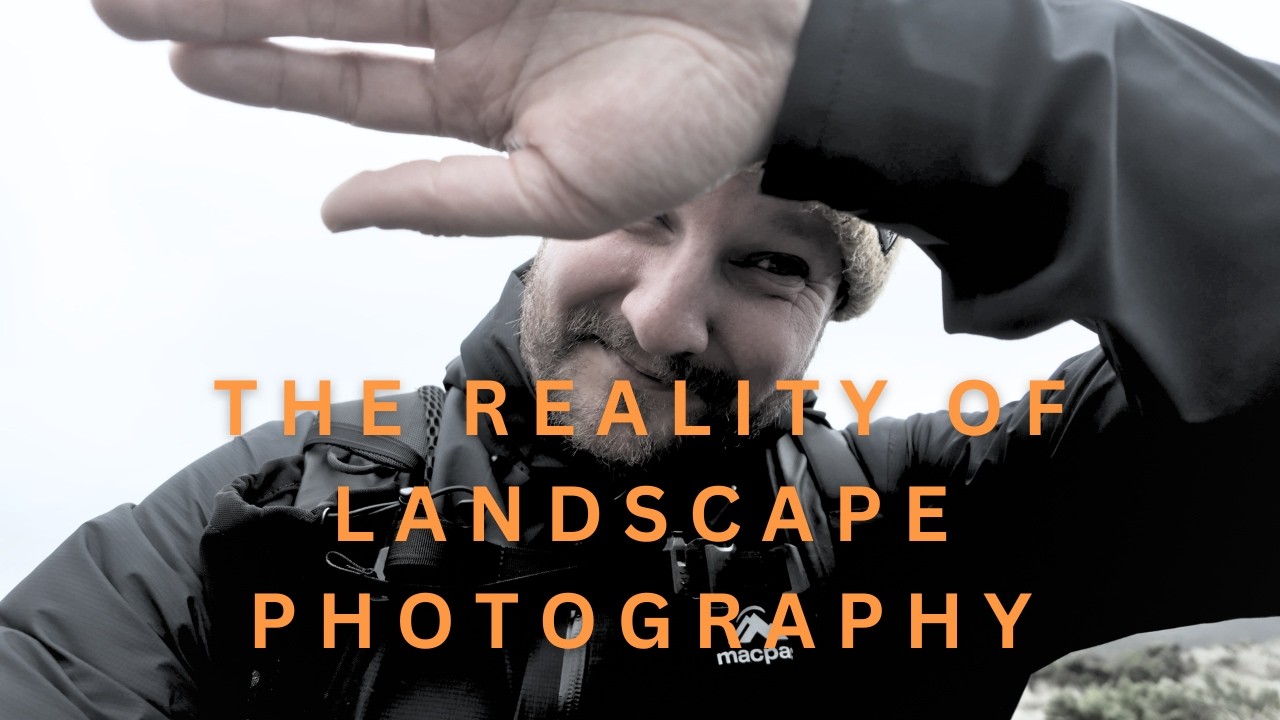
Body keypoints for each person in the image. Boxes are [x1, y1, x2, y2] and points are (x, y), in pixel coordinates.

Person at [2, 0, 1278, 717]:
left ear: (836, 313)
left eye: (773, 263)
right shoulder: (273, 517)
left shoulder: (928, 528)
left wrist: (879, 78)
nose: (668, 317)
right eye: (637, 213)